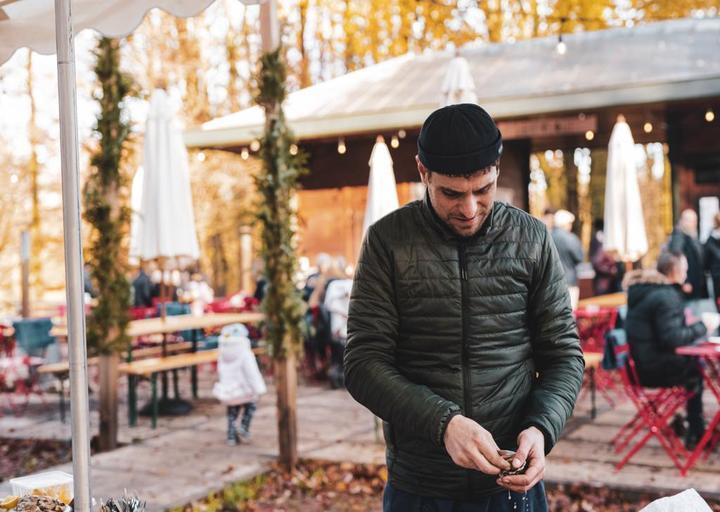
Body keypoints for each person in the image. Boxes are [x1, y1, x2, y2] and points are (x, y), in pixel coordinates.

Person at [345, 104, 584, 511]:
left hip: (512, 484)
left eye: (483, 190)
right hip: (420, 485)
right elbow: (363, 363)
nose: (470, 209)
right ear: (423, 173)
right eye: (451, 194)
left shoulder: (532, 239)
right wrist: (444, 425)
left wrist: (541, 428)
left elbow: (564, 355)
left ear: (496, 168)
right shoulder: (386, 242)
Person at [624, 251, 720, 449]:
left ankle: (693, 426)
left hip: (640, 365)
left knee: (696, 365)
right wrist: (704, 326)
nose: (686, 273)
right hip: (653, 369)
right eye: (684, 269)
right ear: (675, 270)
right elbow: (673, 339)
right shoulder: (665, 296)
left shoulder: (646, 291)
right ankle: (697, 433)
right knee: (696, 370)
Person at [212, 323, 266, 445]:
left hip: (230, 389)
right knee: (251, 406)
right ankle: (244, 427)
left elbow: (221, 370)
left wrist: (224, 384)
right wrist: (259, 388)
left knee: (232, 412)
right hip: (245, 389)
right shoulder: (245, 353)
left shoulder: (223, 352)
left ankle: (231, 435)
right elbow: (251, 372)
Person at [669, 208, 707, 300]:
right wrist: (685, 281)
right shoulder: (678, 236)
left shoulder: (691, 234)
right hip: (688, 282)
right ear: (683, 221)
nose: (694, 223)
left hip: (696, 281)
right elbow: (677, 258)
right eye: (692, 221)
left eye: (695, 221)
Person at [551, 209, 584, 308]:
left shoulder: (547, 236)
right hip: (569, 281)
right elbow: (579, 257)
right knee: (570, 312)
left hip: (551, 282)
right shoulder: (570, 238)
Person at [589, 219, 619, 296]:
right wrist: (611, 270)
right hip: (603, 282)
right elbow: (597, 262)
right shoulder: (599, 243)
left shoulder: (600, 241)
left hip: (609, 281)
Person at [704, 212, 720, 311]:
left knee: (718, 297)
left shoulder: (710, 239)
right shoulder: (711, 238)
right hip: (716, 273)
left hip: (716, 274)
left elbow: (706, 257)